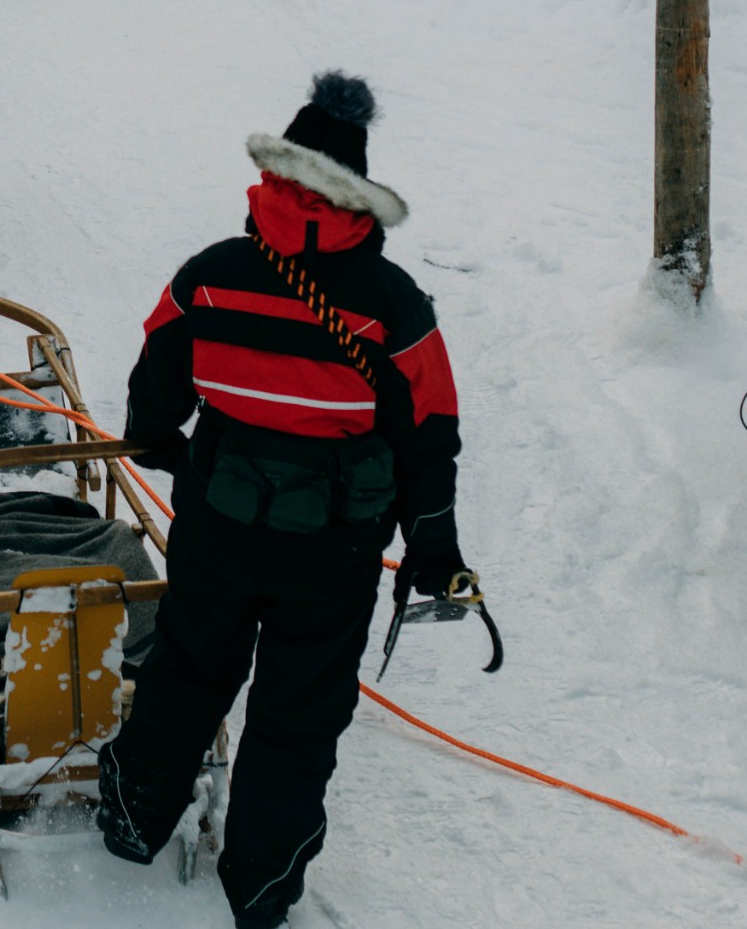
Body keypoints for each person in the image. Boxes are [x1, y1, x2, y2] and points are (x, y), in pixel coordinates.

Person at [97, 71, 473, 928]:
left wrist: (161, 445)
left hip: (218, 526)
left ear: (273, 179)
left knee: (186, 672)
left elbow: (157, 382)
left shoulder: (212, 274)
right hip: (333, 556)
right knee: (297, 715)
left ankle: (131, 819)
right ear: (358, 199)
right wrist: (433, 545)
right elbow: (430, 427)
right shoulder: (394, 306)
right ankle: (262, 887)